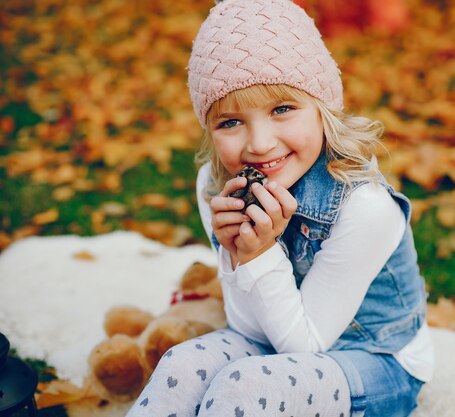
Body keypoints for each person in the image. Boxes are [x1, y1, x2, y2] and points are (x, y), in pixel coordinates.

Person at [126, 0, 433, 416]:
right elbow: (250, 330)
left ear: (323, 109)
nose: (260, 143)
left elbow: (305, 347)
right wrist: (235, 253)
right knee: (182, 364)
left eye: (282, 109)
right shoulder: (215, 187)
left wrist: (259, 254)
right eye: (230, 122)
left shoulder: (365, 207)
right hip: (279, 336)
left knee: (246, 388)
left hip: (376, 361)